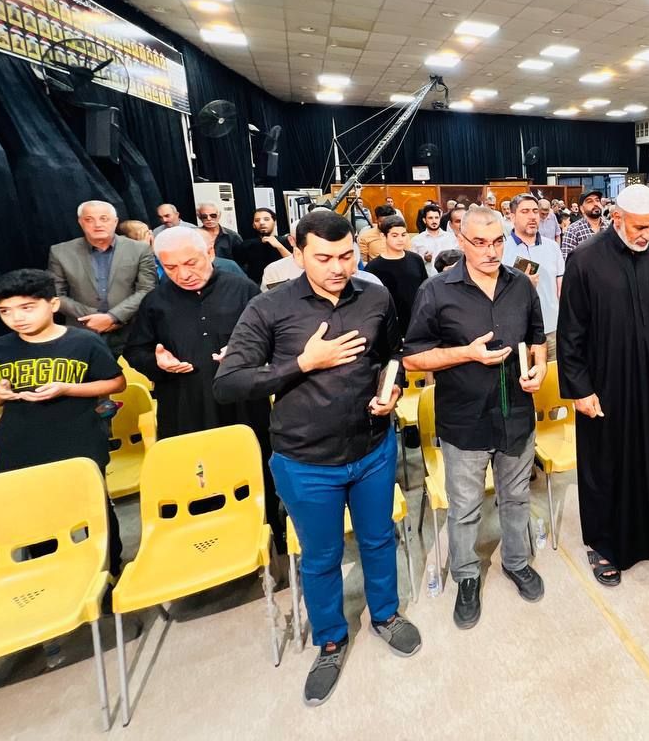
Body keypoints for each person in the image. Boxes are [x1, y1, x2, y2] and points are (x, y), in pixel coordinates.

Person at [213, 210, 416, 706]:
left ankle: (386, 614)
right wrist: (304, 363)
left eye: (347, 256)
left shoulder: (375, 295)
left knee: (378, 539)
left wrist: (391, 389)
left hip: (372, 448)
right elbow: (229, 383)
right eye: (324, 258)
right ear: (298, 251)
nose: (338, 268)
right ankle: (330, 640)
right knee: (321, 557)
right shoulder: (269, 307)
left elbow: (393, 355)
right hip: (306, 461)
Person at [403, 206, 547, 628]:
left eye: (497, 241)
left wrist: (539, 367)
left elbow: (537, 338)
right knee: (465, 507)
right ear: (460, 241)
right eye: (480, 243)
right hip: (464, 419)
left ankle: (516, 562)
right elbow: (413, 358)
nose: (491, 251)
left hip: (515, 413)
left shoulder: (521, 286)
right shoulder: (436, 290)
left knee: (516, 497)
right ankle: (466, 576)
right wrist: (466, 354)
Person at [125, 227, 282, 543]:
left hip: (242, 405)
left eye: (191, 263)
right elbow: (135, 351)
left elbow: (275, 339)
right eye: (171, 267)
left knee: (255, 471)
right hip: (185, 406)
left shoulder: (243, 290)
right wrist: (158, 361)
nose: (183, 274)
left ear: (209, 253)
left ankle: (267, 537)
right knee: (197, 480)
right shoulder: (155, 302)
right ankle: (210, 542)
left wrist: (245, 353)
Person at [557, 184, 649, 586]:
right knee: (606, 464)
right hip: (605, 385)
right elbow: (571, 333)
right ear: (617, 218)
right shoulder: (585, 259)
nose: (647, 234)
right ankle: (604, 544)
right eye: (639, 227)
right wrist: (579, 389)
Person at [0, 268, 127, 576]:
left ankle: (109, 570)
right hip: (20, 446)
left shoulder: (84, 342)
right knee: (35, 518)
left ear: (53, 304)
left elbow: (116, 382)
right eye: (5, 311)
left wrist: (68, 388)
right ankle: (50, 573)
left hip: (80, 440)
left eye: (27, 307)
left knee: (95, 508)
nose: (17, 318)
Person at [48, 200, 157, 354]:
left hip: (131, 332)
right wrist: (94, 317)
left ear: (115, 221)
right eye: (89, 219)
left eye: (104, 218)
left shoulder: (139, 249)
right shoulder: (60, 252)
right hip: (83, 333)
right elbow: (56, 295)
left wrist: (113, 317)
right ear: (80, 222)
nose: (97, 224)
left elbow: (147, 289)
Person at [503, 194, 564, 359]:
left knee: (554, 373)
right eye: (525, 211)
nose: (532, 216)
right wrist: (521, 285)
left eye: (535, 211)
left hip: (551, 329)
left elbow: (561, 289)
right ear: (512, 217)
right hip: (517, 333)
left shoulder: (552, 247)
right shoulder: (502, 250)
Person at [365, 215, 429, 328]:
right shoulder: (373, 267)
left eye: (403, 235)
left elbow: (425, 288)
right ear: (383, 237)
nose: (400, 239)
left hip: (418, 319)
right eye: (394, 235)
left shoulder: (416, 259)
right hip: (390, 324)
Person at [237, 208, 292, 285]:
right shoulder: (247, 245)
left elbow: (295, 264)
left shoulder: (286, 241)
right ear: (253, 225)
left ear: (274, 222)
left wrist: (279, 246)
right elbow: (238, 269)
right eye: (257, 220)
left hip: (285, 284)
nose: (262, 222)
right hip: (256, 286)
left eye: (266, 219)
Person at [411, 204, 457, 275]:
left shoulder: (451, 237)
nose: (434, 221)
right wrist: (425, 259)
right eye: (430, 218)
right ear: (424, 220)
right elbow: (413, 263)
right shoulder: (417, 240)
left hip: (449, 277)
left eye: (436, 217)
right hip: (427, 278)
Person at [561, 189, 606, 260]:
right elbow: (567, 259)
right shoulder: (573, 230)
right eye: (590, 201)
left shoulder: (611, 226)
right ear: (582, 209)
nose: (595, 204)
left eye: (597, 200)